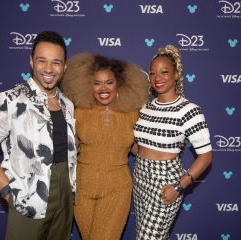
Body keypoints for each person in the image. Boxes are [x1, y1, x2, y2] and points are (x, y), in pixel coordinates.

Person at [0, 31, 77, 240]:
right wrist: (8, 193)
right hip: (28, 198)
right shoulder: (10, 100)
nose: (49, 69)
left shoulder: (68, 104)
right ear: (31, 62)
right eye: (42, 61)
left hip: (66, 195)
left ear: (64, 67)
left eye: (56, 62)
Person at [61, 53, 149, 240]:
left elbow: (137, 149)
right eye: (96, 83)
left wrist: (164, 148)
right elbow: (71, 148)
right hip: (82, 189)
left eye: (109, 82)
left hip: (117, 189)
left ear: (120, 84)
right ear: (88, 86)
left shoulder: (133, 114)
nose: (103, 88)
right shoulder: (79, 113)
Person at [133, 45, 213, 240]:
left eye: (164, 72)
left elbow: (206, 156)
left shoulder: (189, 110)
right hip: (139, 176)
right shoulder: (145, 107)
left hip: (166, 180)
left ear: (176, 74)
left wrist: (179, 186)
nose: (157, 78)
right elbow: (139, 146)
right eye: (152, 73)